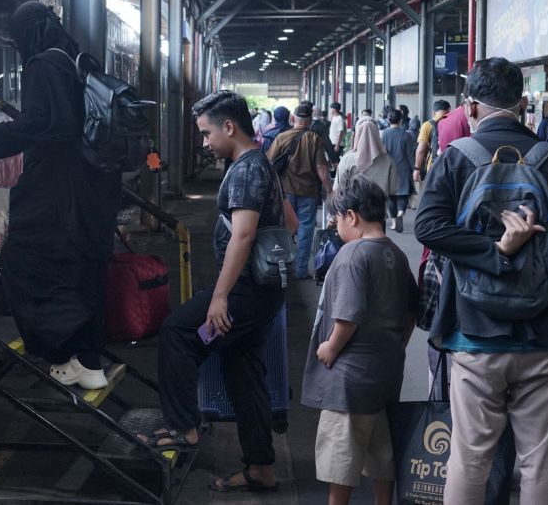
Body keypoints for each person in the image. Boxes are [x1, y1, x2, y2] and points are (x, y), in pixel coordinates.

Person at [415, 57, 548, 503]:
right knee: (541, 461)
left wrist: (493, 254)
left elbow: (428, 227)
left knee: (470, 457)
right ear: (522, 103)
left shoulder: (458, 157)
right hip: (544, 336)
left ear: (470, 106)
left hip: (474, 333)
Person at [0, 1, 121, 390]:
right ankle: (89, 361)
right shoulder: (76, 59)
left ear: (27, 34)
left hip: (55, 183)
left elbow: (42, 123)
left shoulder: (42, 66)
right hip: (91, 185)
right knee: (79, 266)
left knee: (22, 254)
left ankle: (64, 351)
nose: (16, 45)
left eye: (16, 38)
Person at [140, 91, 288, 493]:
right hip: (262, 291)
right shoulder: (262, 164)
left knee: (179, 334)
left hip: (242, 293)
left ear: (228, 127)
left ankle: (183, 427)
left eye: (207, 133)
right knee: (243, 370)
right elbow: (288, 220)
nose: (205, 142)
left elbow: (242, 235)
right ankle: (261, 467)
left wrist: (220, 297)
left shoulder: (244, 170)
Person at [303, 176, 417, 505]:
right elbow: (412, 309)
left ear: (351, 216)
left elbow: (348, 315)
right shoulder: (395, 253)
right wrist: (398, 343)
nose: (337, 226)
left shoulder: (353, 254)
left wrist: (331, 347)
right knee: (383, 453)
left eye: (338, 219)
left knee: (341, 459)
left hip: (349, 380)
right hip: (386, 372)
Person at [268, 101, 333, 280]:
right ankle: (300, 270)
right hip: (308, 192)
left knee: (284, 229)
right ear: (310, 120)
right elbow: (321, 167)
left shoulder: (282, 137)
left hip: (285, 192)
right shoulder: (314, 139)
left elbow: (268, 164)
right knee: (305, 230)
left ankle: (281, 269)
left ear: (293, 118)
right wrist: (329, 189)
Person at [336, 120, 398, 202]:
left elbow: (339, 187)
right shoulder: (388, 160)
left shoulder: (347, 159)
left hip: (353, 208)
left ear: (357, 135)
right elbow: (393, 189)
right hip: (379, 208)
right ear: (377, 134)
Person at [380, 110, 416, 233]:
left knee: (391, 197)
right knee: (403, 195)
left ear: (388, 120)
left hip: (389, 169)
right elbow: (410, 155)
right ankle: (401, 213)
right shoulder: (407, 135)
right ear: (401, 120)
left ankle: (395, 222)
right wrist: (414, 169)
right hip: (403, 169)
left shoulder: (383, 134)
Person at [413, 99, 451, 184]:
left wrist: (417, 169)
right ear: (449, 110)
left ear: (433, 112)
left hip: (433, 165)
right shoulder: (453, 123)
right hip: (451, 163)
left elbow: (421, 150)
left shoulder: (427, 125)